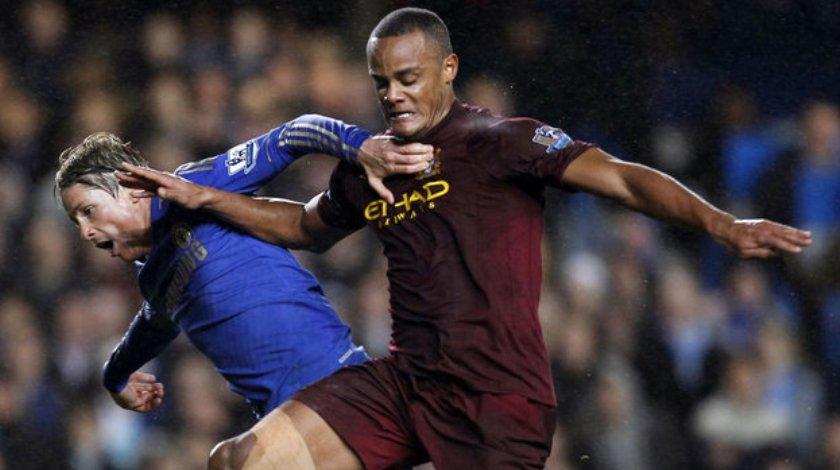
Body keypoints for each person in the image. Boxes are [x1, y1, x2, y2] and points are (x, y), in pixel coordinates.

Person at [121, 8, 813, 469]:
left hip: (497, 402)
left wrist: (723, 225)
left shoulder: (500, 142)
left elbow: (624, 181)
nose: (393, 95)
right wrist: (206, 196)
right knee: (238, 461)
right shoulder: (374, 165)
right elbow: (305, 227)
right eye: (382, 83)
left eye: (408, 79)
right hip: (403, 386)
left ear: (448, 70)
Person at [54, 113, 433, 419]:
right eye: (77, 222)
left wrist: (359, 145)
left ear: (130, 186)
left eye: (88, 211)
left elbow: (292, 134)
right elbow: (150, 329)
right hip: (284, 418)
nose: (85, 232)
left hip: (336, 385)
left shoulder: (192, 189)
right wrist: (114, 376)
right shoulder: (154, 278)